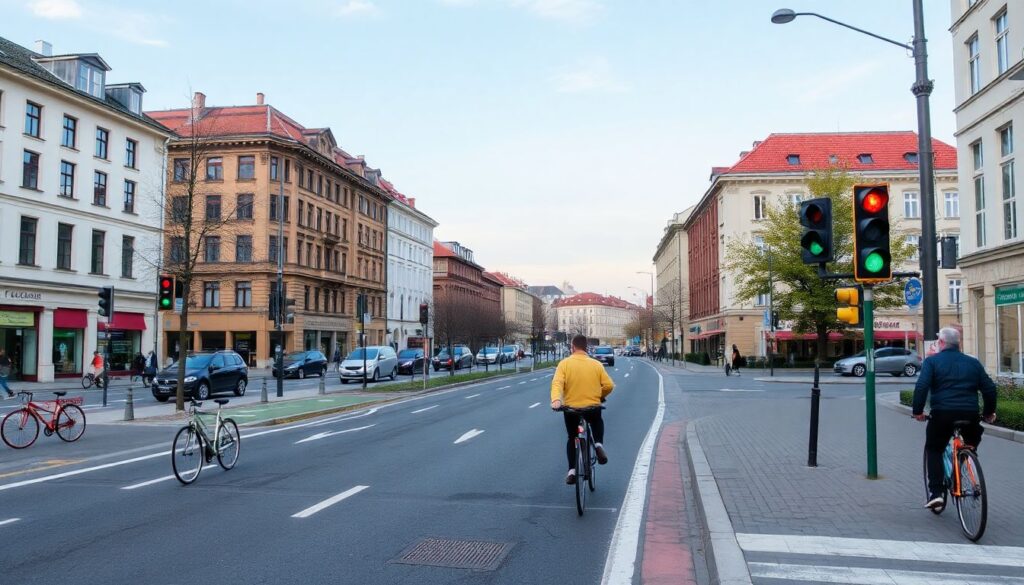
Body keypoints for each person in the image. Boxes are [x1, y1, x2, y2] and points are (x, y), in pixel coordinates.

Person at [913, 327, 997, 509]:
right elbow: (990, 389)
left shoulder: (932, 362)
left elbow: (922, 386)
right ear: (958, 343)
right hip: (970, 414)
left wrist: (918, 411)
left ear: (941, 343)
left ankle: (936, 493)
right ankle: (964, 459)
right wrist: (989, 412)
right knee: (972, 441)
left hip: (942, 414)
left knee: (934, 448)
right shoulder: (973, 363)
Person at [550, 334, 615, 485]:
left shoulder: (564, 364)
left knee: (572, 437)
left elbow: (557, 383)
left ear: (572, 347)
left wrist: (556, 400)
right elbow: (609, 386)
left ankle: (572, 470)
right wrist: (599, 396)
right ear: (586, 348)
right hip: (591, 407)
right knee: (597, 421)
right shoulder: (596, 365)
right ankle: (598, 445)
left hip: (571, 408)